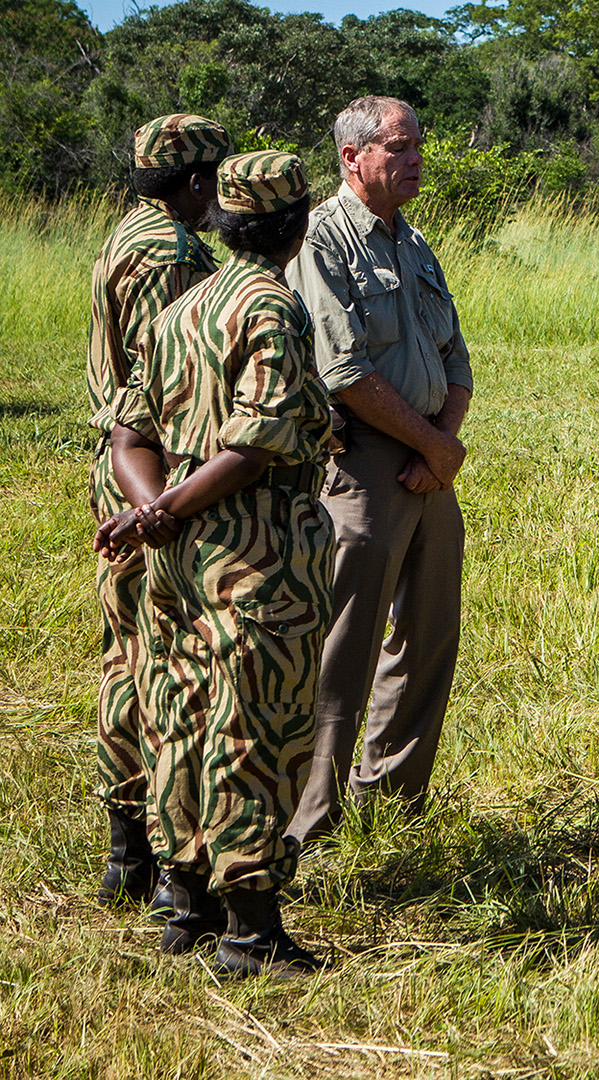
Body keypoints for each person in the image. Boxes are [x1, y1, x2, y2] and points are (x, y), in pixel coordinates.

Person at [100, 150, 334, 975]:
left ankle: (185, 900)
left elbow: (128, 435)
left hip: (176, 559)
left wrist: (149, 509)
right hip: (256, 550)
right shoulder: (272, 306)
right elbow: (256, 440)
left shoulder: (183, 309)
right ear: (296, 223)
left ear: (229, 222)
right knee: (255, 728)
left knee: (181, 714)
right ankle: (250, 929)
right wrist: (167, 508)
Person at [286, 96, 472, 843]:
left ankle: (393, 802)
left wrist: (443, 445)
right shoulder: (321, 241)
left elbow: (454, 355)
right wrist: (430, 446)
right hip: (360, 469)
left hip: (431, 467)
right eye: (398, 147)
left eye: (418, 144)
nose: (415, 158)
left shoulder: (415, 242)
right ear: (351, 157)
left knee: (427, 639)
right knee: (344, 647)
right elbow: (344, 371)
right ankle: (311, 818)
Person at [86, 113, 231, 909]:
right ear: (198, 179)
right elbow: (159, 389)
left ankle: (129, 853)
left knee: (128, 655)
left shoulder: (127, 232)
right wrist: (170, 500)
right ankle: (155, 854)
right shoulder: (166, 254)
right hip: (157, 483)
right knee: (159, 665)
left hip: (134, 478)